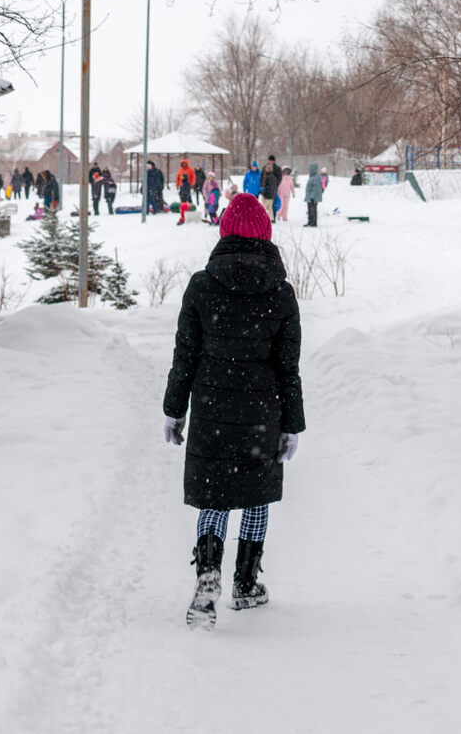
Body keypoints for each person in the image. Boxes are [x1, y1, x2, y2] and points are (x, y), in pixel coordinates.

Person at [163, 191, 305, 629]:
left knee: (215, 496)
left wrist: (174, 410)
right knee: (256, 499)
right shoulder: (280, 293)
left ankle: (208, 578)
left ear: (224, 233)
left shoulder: (202, 286)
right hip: (263, 412)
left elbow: (185, 355)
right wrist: (293, 426)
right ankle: (245, 584)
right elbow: (288, 367)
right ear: (265, 236)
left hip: (211, 409)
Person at [259, 155, 280, 222]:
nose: (270, 161)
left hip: (270, 190)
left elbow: (279, 178)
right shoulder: (264, 167)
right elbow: (261, 177)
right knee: (269, 205)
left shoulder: (277, 168)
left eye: (272, 160)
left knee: (271, 204)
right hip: (266, 188)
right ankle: (270, 218)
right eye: (269, 160)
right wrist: (262, 185)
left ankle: (271, 218)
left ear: (274, 161)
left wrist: (275, 185)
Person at [304, 163, 324, 227]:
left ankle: (313, 223)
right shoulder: (312, 177)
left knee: (312, 211)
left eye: (310, 169)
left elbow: (316, 188)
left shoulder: (315, 178)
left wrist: (313, 197)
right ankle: (310, 222)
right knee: (310, 211)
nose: (309, 170)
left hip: (312, 198)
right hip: (310, 197)